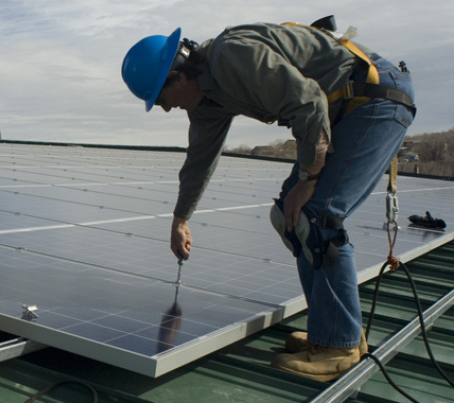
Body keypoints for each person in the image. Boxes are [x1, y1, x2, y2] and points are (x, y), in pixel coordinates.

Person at [121, 19, 415, 382]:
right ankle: (331, 331)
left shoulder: (233, 56)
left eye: (161, 99)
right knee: (288, 217)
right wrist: (180, 219)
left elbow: (307, 102)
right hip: (339, 110)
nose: (165, 109)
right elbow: (200, 160)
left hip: (373, 98)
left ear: (178, 77)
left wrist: (308, 178)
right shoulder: (206, 102)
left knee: (317, 216)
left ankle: (339, 345)